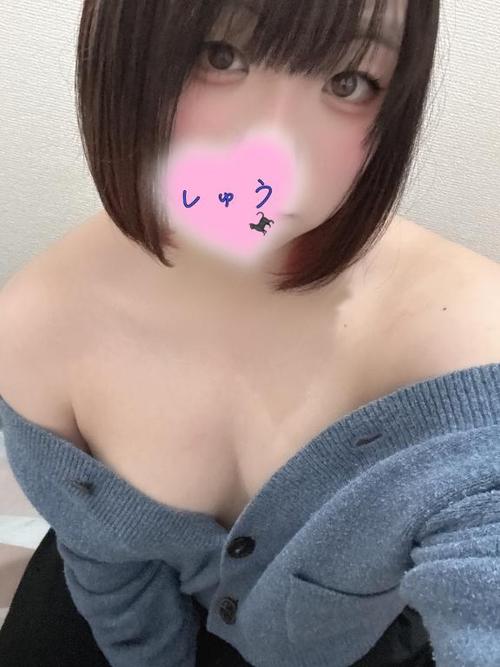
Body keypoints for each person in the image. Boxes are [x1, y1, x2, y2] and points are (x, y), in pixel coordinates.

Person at [1, 0, 499, 665]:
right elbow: (106, 565)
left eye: (348, 79)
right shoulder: (36, 326)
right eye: (221, 56)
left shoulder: (472, 350)